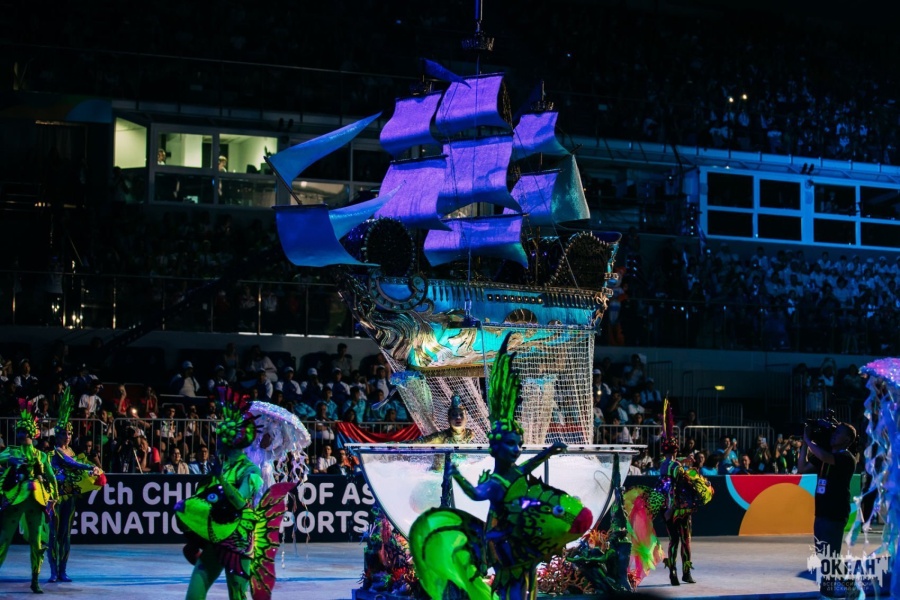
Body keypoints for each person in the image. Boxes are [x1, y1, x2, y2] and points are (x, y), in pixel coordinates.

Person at [46, 391, 104, 584]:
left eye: (69, 433)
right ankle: (53, 571)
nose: (67, 436)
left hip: (70, 498)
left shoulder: (71, 450)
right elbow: (71, 464)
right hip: (56, 497)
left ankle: (63, 570)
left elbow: (77, 467)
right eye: (64, 433)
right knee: (54, 535)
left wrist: (92, 474)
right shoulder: (57, 452)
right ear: (57, 435)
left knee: (66, 535)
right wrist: (88, 467)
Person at [0, 406, 59, 593]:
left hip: (36, 500)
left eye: (24, 431)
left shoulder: (41, 455)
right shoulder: (12, 451)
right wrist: (10, 462)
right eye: (19, 431)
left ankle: (35, 579)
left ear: (33, 433)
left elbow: (51, 476)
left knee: (37, 542)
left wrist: (54, 497)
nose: (20, 434)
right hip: (15, 499)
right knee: (4, 540)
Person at [799, 421, 858, 598]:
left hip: (835, 512)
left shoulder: (846, 458)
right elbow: (802, 468)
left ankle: (831, 589)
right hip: (822, 511)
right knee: (823, 553)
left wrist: (809, 440)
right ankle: (847, 586)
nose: (833, 435)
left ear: (846, 439)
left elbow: (825, 457)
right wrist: (805, 444)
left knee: (830, 555)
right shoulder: (825, 456)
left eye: (838, 433)